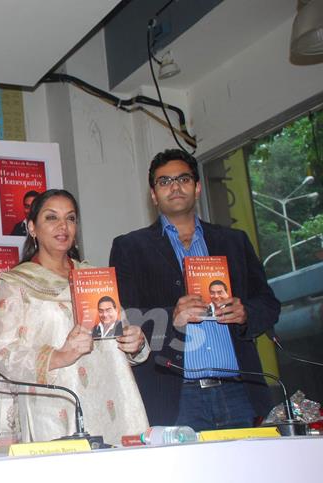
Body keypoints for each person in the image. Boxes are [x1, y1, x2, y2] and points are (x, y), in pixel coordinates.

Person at [109, 148, 281, 430]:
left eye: (183, 179)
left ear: (197, 187)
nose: (174, 187)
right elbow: (124, 318)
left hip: (239, 390)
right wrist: (171, 316)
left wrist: (246, 313)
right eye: (164, 182)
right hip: (174, 397)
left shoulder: (234, 241)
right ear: (153, 194)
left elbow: (269, 303)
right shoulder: (130, 247)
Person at [0, 189, 149, 448]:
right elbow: (3, 355)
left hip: (111, 404)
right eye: (52, 218)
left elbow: (119, 333)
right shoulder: (16, 283)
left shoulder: (93, 276)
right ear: (32, 228)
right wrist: (59, 356)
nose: (63, 226)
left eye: (70, 218)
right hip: (54, 408)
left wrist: (135, 343)